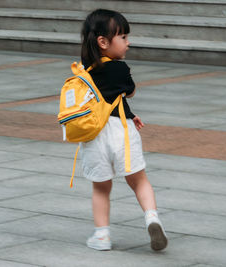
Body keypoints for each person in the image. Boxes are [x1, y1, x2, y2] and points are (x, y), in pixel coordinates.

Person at [79, 9, 167, 251]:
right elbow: (128, 92)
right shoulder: (120, 68)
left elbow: (104, 101)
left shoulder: (84, 70)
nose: (128, 43)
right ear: (103, 42)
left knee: (101, 187)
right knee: (138, 180)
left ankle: (102, 235)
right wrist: (129, 117)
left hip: (94, 134)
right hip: (121, 133)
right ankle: (152, 218)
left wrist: (130, 113)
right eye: (124, 38)